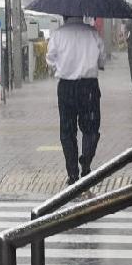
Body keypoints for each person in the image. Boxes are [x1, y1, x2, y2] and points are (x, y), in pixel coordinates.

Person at [46, 16, 106, 185]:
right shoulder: (93, 33)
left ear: (64, 16)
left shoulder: (58, 35)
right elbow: (102, 59)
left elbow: (50, 59)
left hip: (65, 87)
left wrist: (61, 66)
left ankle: (72, 174)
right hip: (89, 87)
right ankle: (86, 162)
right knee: (91, 128)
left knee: (67, 131)